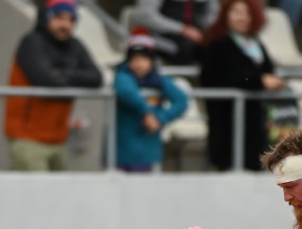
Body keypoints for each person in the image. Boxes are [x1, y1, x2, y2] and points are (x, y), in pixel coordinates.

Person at [4, 0, 102, 171]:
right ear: (45, 18)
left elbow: (96, 78)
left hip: (58, 140)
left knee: (57, 197)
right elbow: (47, 80)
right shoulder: (31, 42)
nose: (65, 25)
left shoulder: (74, 45)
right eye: (59, 18)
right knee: (34, 196)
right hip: (28, 139)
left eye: (71, 19)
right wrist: (72, 75)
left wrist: (64, 73)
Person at [200, 0, 285, 171]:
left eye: (247, 13)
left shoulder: (256, 45)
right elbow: (219, 79)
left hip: (255, 127)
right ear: (225, 15)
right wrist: (258, 82)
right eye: (236, 12)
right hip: (227, 126)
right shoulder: (216, 46)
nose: (242, 18)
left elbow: (266, 72)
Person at [115, 28, 188, 172]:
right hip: (121, 152)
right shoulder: (123, 75)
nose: (138, 63)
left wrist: (160, 118)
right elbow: (127, 91)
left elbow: (181, 100)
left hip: (148, 152)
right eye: (134, 59)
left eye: (143, 59)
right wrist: (147, 112)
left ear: (151, 61)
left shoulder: (159, 81)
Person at [134, 0, 219, 65]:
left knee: (218, 48)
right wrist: (182, 29)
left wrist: (204, 33)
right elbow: (145, 17)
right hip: (161, 36)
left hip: (197, 35)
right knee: (185, 49)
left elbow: (213, 17)